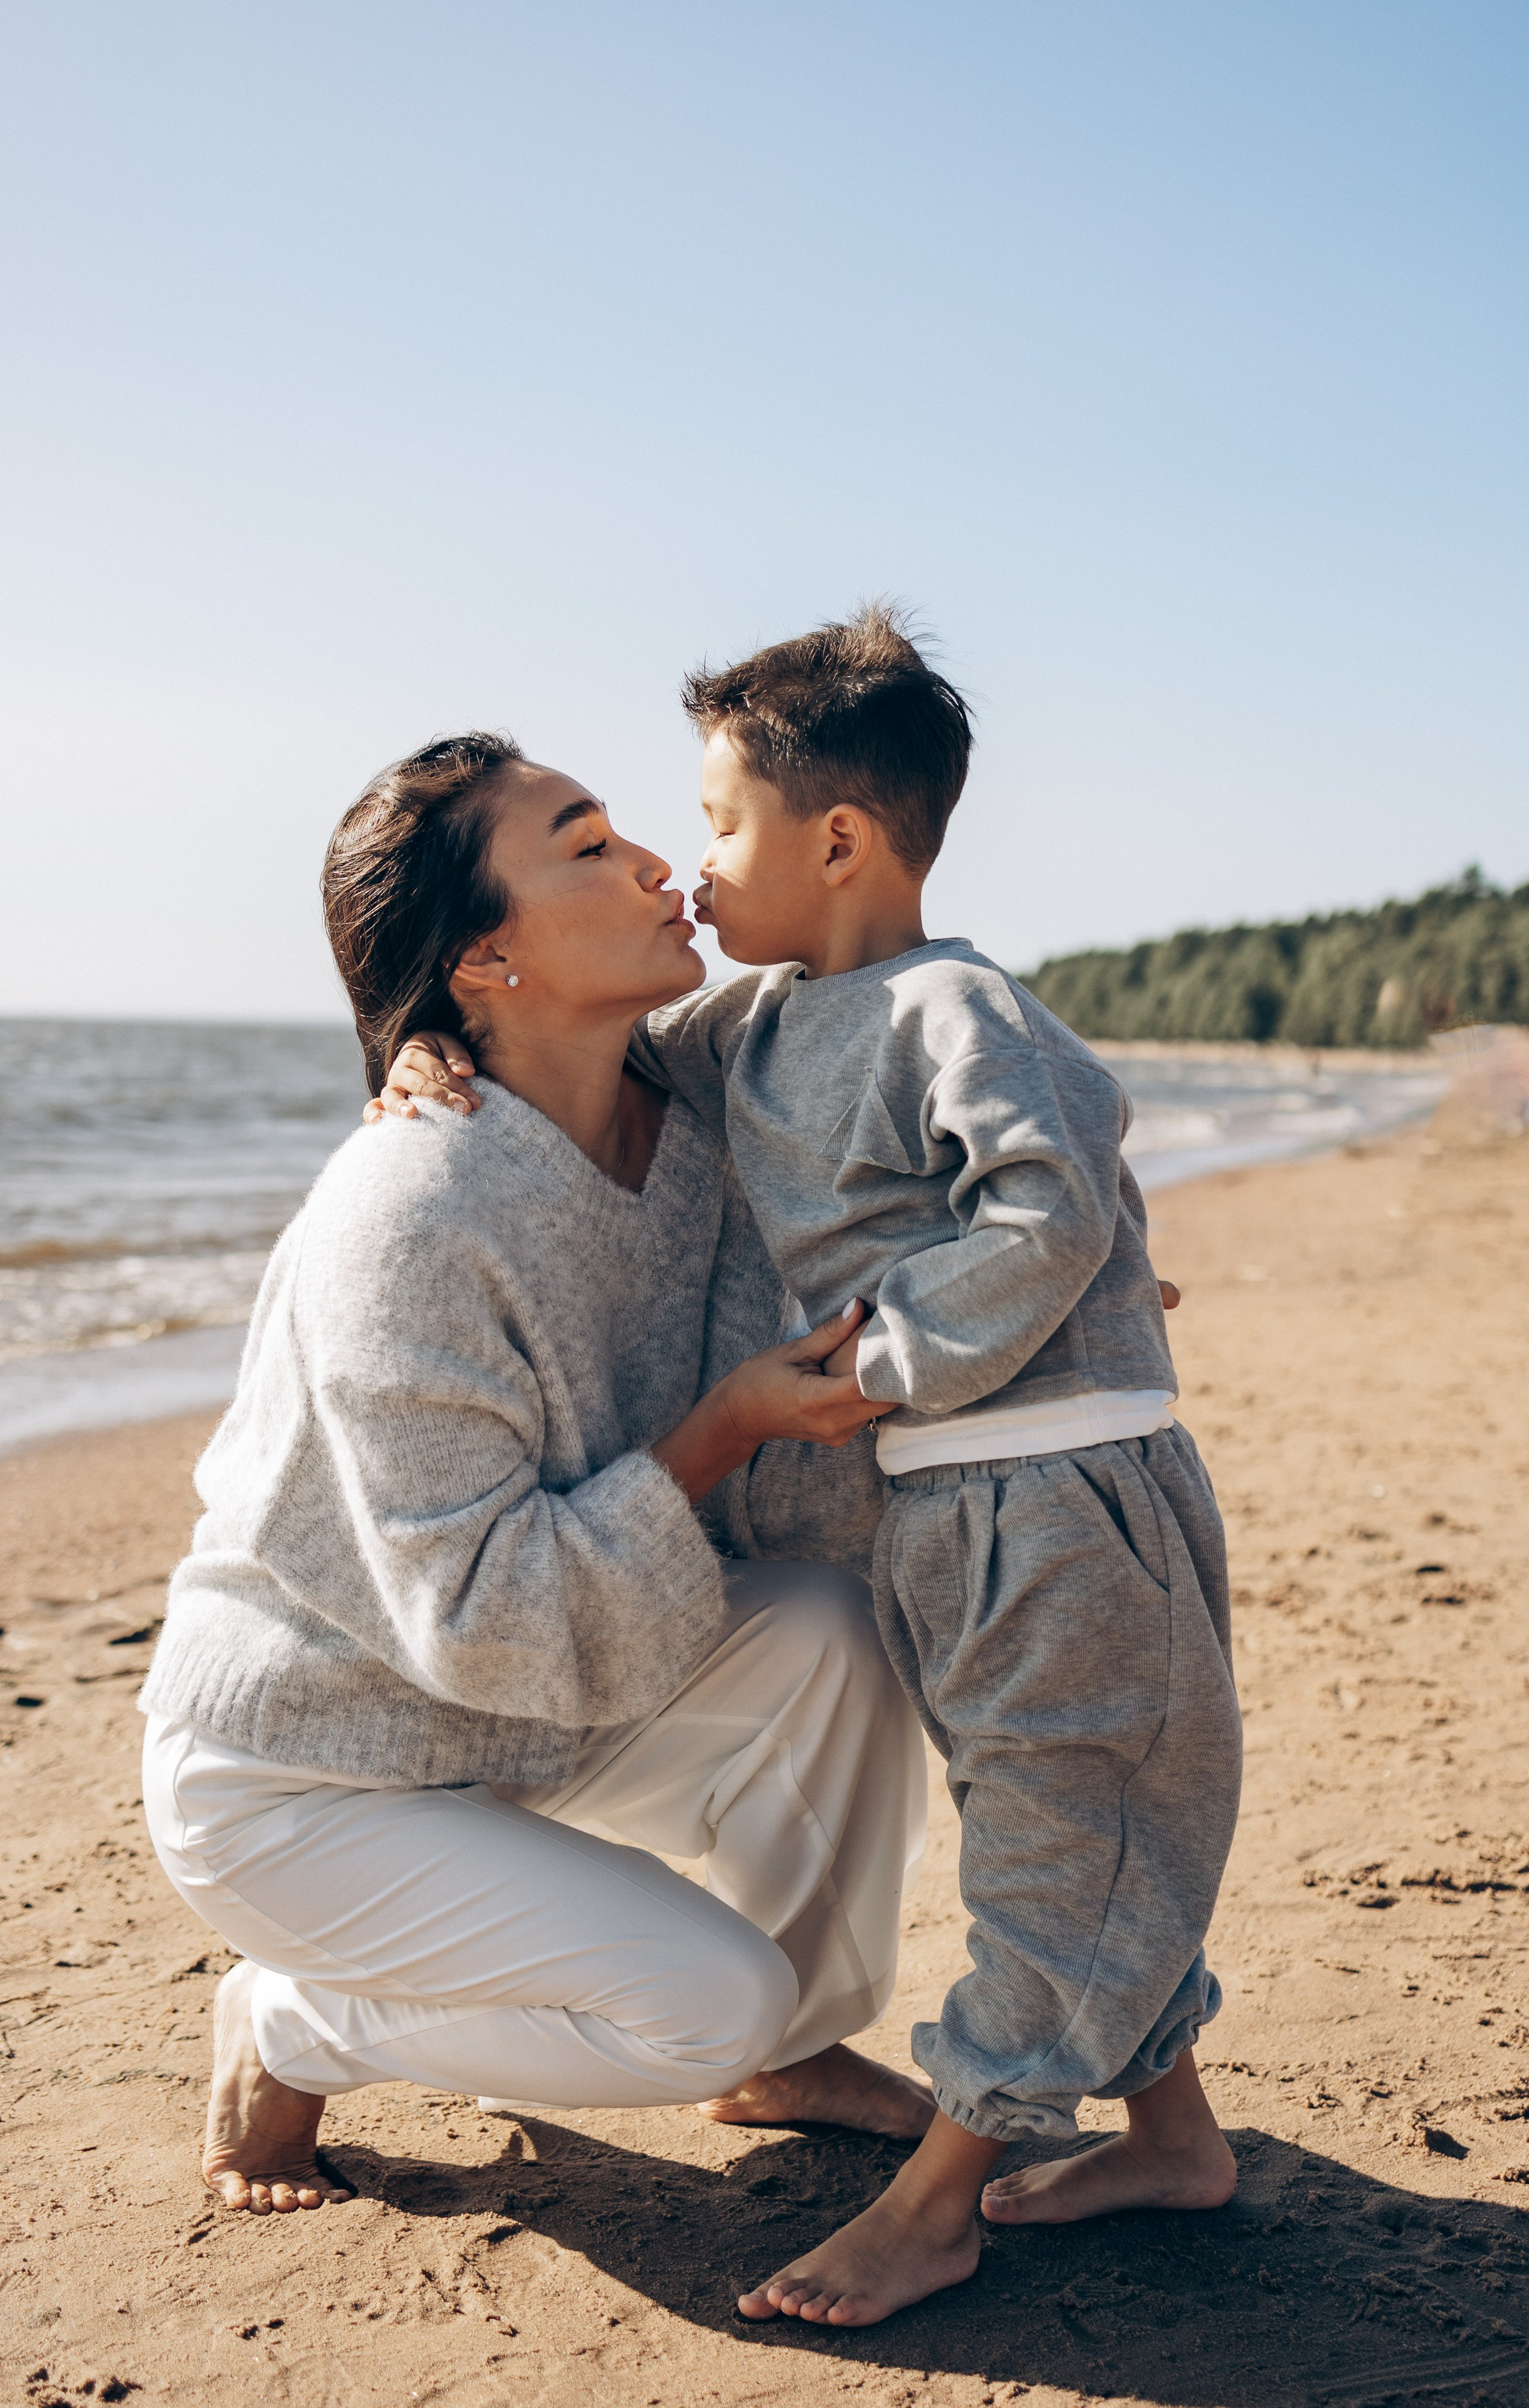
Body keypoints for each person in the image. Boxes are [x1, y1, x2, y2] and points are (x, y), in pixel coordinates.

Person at [383, 609, 1243, 2328]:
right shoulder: (756, 1028)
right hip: (944, 1506)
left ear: (839, 839)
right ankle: (1174, 2135)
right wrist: (433, 1050)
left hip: (1065, 1498)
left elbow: (1051, 1204)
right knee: (1045, 1811)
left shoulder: (956, 1009)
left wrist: (892, 1359)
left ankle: (944, 2197)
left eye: (716, 828)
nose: (689, 874)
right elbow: (593, 1041)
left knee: (1064, 1836)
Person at [139, 730, 933, 2218]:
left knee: (828, 1632)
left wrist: (1058, 1285)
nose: (656, 864)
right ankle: (294, 2018)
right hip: (308, 1775)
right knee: (702, 2002)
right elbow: (484, 1612)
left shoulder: (687, 1113)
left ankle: (798, 2049)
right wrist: (718, 1432)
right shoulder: (409, 1206)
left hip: (509, 1720)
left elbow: (898, 1113)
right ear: (485, 954)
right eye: (585, 844)